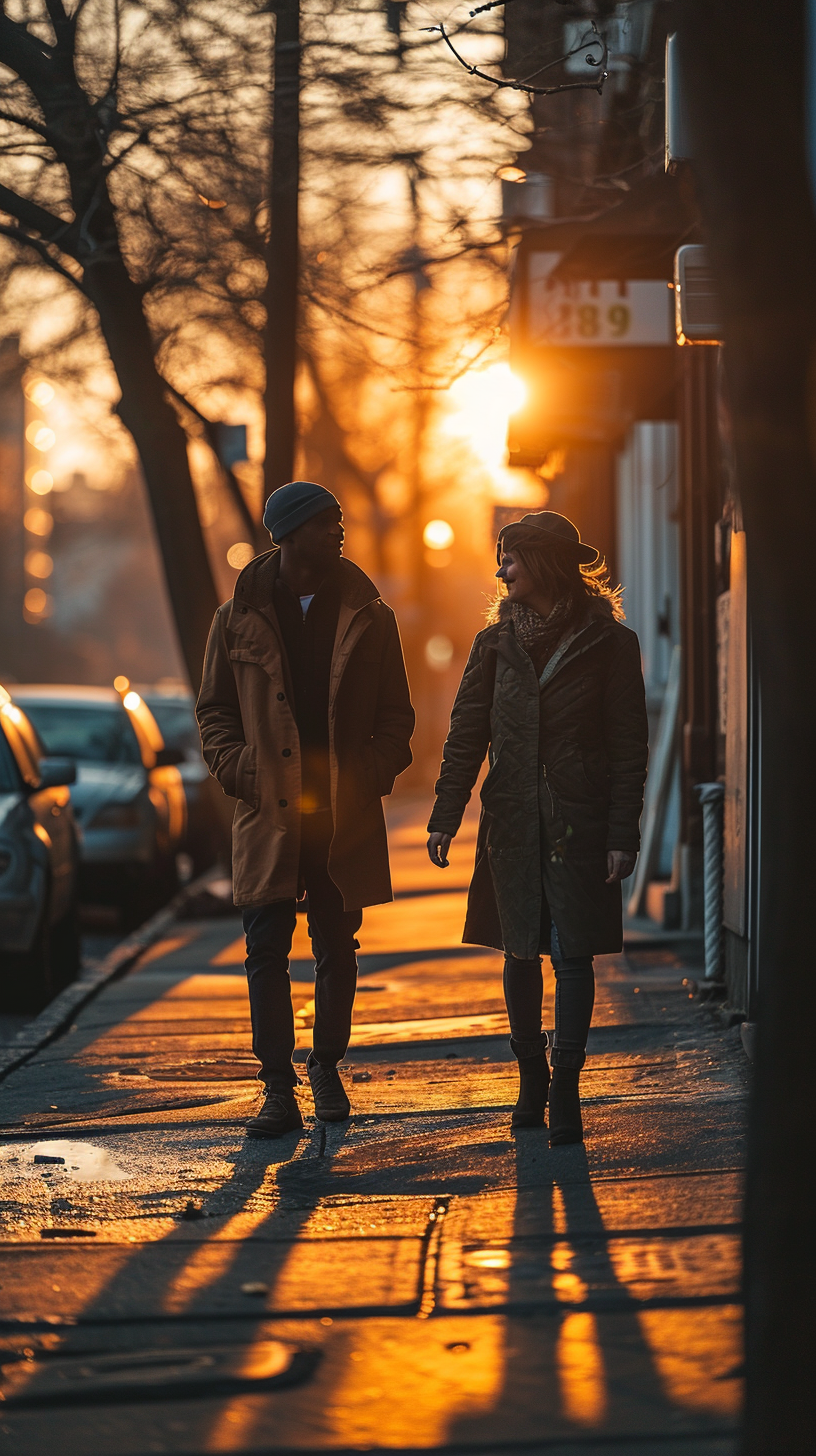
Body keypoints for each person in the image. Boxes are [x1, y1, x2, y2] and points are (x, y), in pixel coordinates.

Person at [197, 481, 414, 1138]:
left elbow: (396, 716)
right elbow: (214, 711)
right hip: (269, 811)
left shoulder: (368, 613)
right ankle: (275, 1089)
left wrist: (371, 773)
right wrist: (242, 770)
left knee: (336, 948)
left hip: (339, 813)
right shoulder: (234, 617)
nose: (338, 530)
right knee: (265, 949)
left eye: (340, 519)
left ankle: (325, 1065)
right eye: (326, 521)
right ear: (288, 535)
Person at [427, 510, 647, 1145]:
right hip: (514, 821)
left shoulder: (612, 645)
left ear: (543, 563)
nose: (501, 571)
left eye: (512, 558)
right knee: (520, 949)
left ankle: (566, 1090)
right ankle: (531, 1078)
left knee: (573, 957)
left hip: (580, 821)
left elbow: (629, 747)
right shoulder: (493, 645)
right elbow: (466, 734)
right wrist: (446, 816)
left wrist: (620, 834)